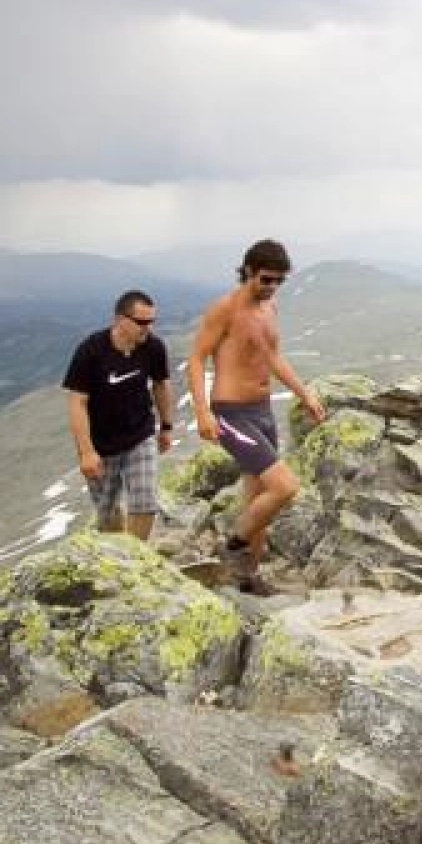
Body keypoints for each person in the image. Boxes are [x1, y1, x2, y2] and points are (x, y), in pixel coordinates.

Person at [189, 239, 325, 595]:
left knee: (259, 501)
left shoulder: (269, 308)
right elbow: (196, 359)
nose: (271, 287)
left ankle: (248, 578)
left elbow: (273, 358)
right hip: (231, 413)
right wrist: (202, 413)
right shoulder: (225, 309)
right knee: (285, 486)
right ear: (248, 270)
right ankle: (231, 545)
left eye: (278, 281)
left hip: (262, 411)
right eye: (265, 279)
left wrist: (304, 393)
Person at [61, 290, 176, 541]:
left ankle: (137, 558)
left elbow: (161, 385)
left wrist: (166, 426)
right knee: (108, 515)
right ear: (119, 320)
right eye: (141, 322)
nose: (148, 328)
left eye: (151, 321)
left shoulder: (153, 347)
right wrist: (86, 451)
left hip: (140, 435)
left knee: (145, 501)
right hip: (102, 445)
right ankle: (119, 551)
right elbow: (76, 402)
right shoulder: (91, 351)